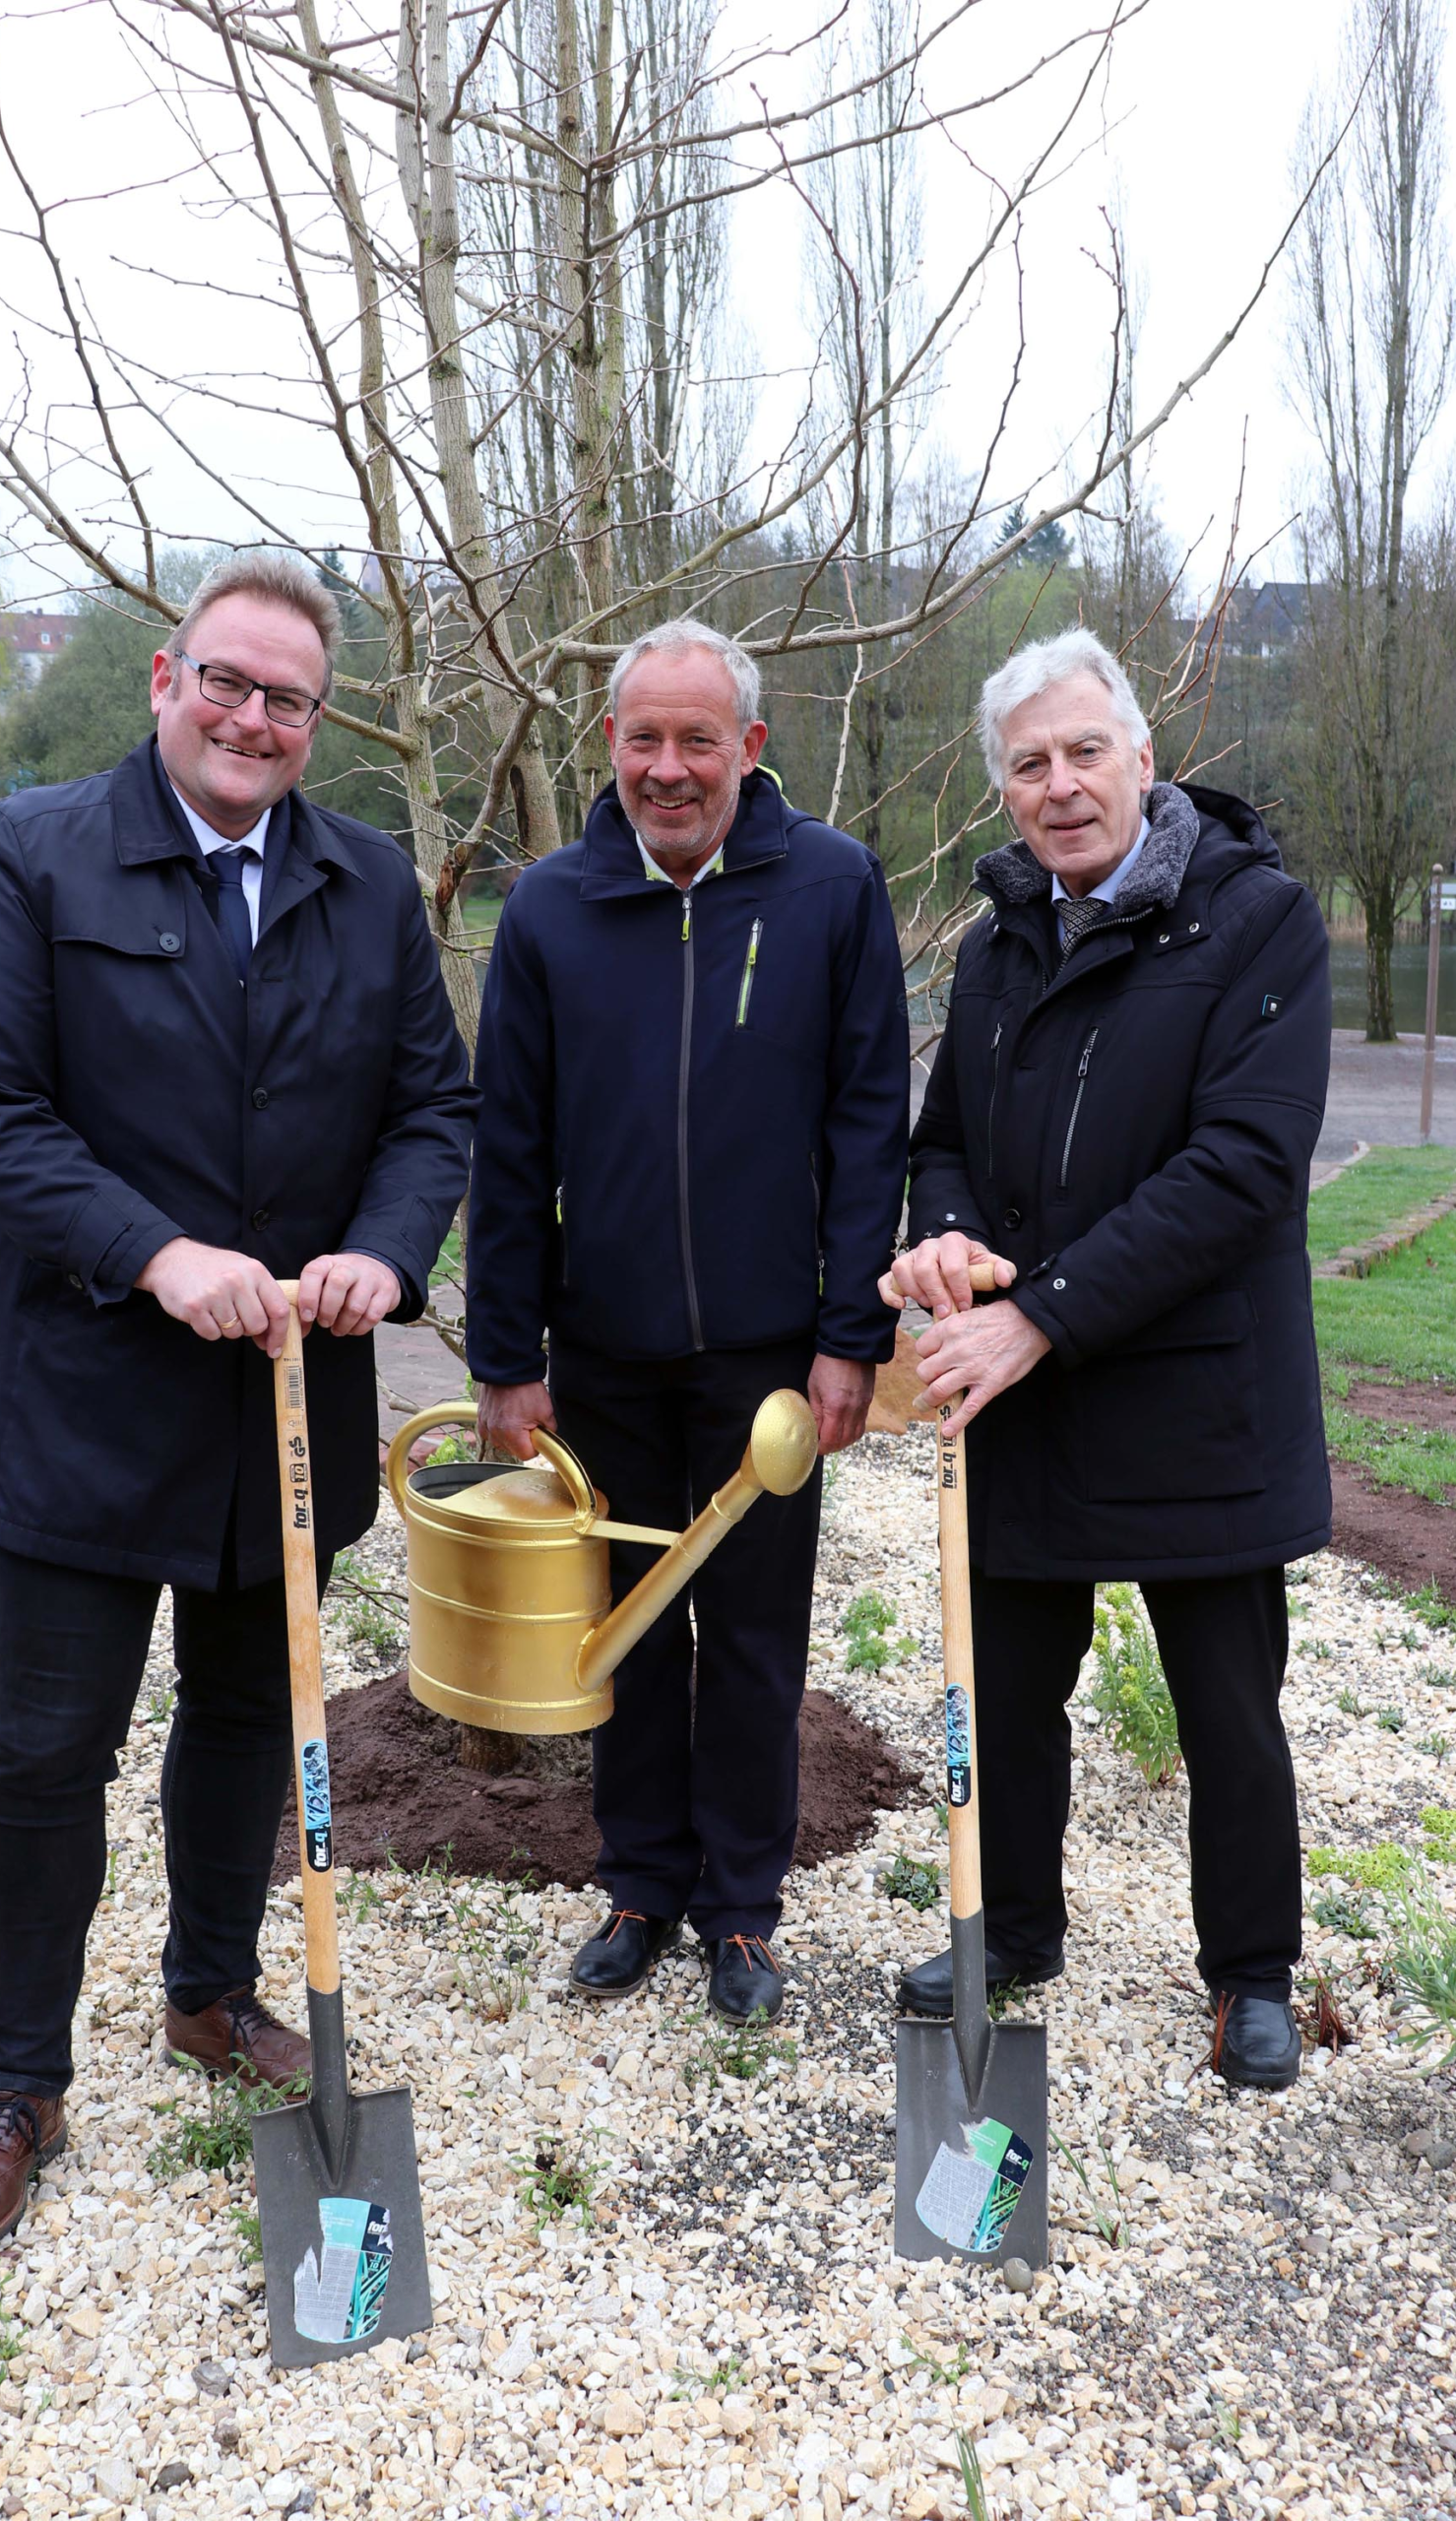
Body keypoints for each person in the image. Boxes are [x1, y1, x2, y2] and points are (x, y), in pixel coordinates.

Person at [0, 551, 475, 2256]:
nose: (250, 719)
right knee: (45, 1750)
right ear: (168, 678)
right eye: (225, 683)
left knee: (247, 1727)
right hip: (87, 1407)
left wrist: (383, 1253)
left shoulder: (366, 886)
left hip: (282, 1424)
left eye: (287, 699)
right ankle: (17, 2085)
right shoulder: (32, 854)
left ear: (319, 720)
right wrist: (156, 1254)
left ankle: (213, 1992)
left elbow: (430, 1114)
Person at [882, 626, 1331, 2090]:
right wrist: (946, 1241)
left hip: (1195, 1389)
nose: (1060, 785)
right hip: (1031, 1398)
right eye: (1029, 764)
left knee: (1224, 1709)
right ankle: (1009, 1929)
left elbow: (1239, 1169)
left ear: (1144, 758)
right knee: (1007, 1694)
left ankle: (1249, 1976)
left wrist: (1038, 1313)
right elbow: (942, 1135)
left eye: (1085, 752)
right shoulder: (1004, 934)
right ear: (1002, 789)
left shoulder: (1256, 922)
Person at [467, 621, 909, 2024]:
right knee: (624, 1629)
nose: (668, 768)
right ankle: (640, 1886)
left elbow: (865, 1127)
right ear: (609, 745)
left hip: (772, 1363)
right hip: (600, 1355)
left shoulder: (832, 891)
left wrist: (851, 1338)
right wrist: (503, 1360)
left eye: (696, 740)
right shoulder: (547, 910)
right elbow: (506, 1147)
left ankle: (741, 1912)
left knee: (757, 1635)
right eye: (643, 738)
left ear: (748, 748)